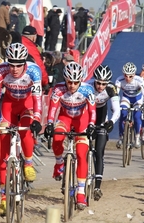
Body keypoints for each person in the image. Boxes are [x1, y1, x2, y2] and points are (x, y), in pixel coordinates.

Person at [0, 43, 42, 216]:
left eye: (18, 64)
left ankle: (28, 163)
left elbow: (37, 98)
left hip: (27, 105)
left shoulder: (34, 71)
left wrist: (37, 118)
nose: (14, 68)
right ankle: (4, 199)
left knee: (26, 129)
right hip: (9, 106)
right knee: (4, 152)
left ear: (25, 63)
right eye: (11, 63)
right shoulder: (1, 71)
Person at [44, 62, 96, 210]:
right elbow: (53, 109)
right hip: (65, 118)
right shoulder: (58, 89)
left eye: (75, 82)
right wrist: (49, 124)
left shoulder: (87, 90)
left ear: (80, 80)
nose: (72, 85)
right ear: (65, 80)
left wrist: (91, 125)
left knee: (80, 153)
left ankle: (80, 192)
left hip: (82, 120)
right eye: (69, 82)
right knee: (57, 137)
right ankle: (59, 162)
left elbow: (92, 111)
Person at [86, 65, 120, 201]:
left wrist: (111, 122)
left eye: (103, 84)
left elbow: (116, 110)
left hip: (102, 116)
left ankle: (97, 187)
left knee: (99, 152)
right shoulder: (87, 85)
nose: (100, 86)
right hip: (87, 115)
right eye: (98, 83)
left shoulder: (111, 89)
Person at [115, 62, 144, 149]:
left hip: (138, 99)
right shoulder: (119, 80)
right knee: (123, 113)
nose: (127, 78)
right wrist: (115, 105)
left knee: (137, 116)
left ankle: (137, 137)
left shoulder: (139, 80)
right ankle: (121, 137)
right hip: (126, 98)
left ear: (134, 74)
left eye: (130, 76)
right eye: (126, 75)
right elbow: (115, 94)